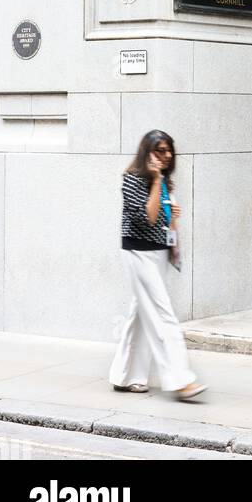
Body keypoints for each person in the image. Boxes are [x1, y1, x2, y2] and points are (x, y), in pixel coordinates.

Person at [108, 130, 207, 400]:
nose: (166, 156)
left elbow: (165, 224)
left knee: (140, 314)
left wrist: (173, 220)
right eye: (160, 150)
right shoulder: (132, 179)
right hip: (138, 254)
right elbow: (148, 219)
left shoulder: (165, 182)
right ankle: (180, 379)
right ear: (147, 152)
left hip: (158, 254)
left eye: (168, 151)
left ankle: (126, 375)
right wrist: (154, 181)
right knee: (163, 315)